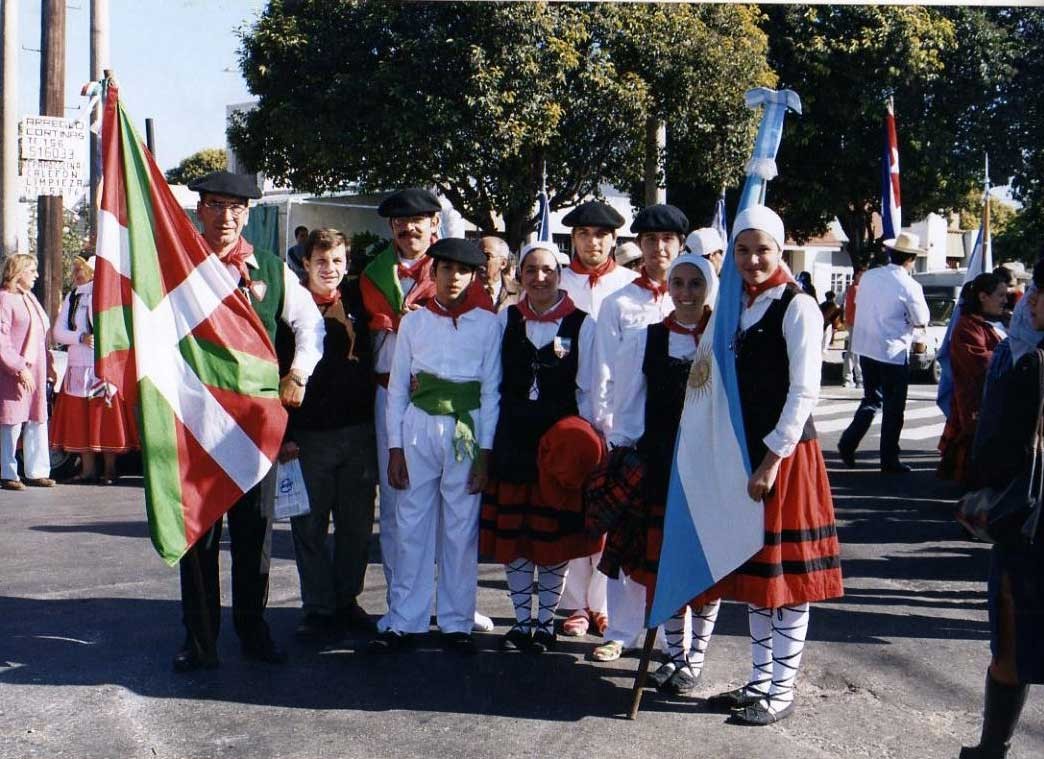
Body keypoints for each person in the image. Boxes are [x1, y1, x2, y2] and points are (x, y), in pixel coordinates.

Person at [173, 171, 324, 673]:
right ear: (201, 210)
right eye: (216, 205)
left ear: (248, 214)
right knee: (198, 537)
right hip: (197, 426)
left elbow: (310, 325)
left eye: (237, 208)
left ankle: (253, 629)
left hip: (256, 428)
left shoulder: (273, 272)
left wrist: (298, 372)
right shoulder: (180, 268)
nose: (227, 217)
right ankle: (199, 639)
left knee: (255, 534)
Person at [706, 205, 843, 726]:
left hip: (784, 459)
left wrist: (770, 460)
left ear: (780, 249)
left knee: (787, 584)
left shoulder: (797, 306)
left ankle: (780, 690)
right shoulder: (734, 307)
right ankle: (760, 680)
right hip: (745, 455)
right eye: (742, 250)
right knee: (760, 580)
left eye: (762, 249)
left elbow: (805, 390)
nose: (752, 259)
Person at [360, 188, 495, 634]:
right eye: (401, 220)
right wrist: (396, 447)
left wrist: (485, 451)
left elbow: (490, 389)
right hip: (412, 422)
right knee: (407, 519)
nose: (453, 277)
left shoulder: (486, 320)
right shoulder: (400, 303)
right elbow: (397, 384)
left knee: (460, 527)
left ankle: (457, 617)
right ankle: (406, 614)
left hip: (464, 427)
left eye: (419, 219)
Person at [602, 253, 720, 694]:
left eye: (695, 284)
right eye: (679, 284)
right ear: (668, 288)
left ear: (709, 287)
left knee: (703, 566)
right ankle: (674, 654)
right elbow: (629, 402)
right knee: (664, 564)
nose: (686, 293)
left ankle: (696, 658)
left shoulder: (725, 337)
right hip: (661, 464)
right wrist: (624, 447)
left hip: (709, 466)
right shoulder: (647, 339)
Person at [479, 241, 601, 653]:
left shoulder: (583, 324)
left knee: (551, 542)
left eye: (547, 270)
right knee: (517, 540)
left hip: (559, 445)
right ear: (520, 275)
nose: (539, 278)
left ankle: (545, 624)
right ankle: (520, 622)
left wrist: (593, 444)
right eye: (531, 270)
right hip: (514, 439)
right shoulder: (505, 320)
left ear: (560, 274)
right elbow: (492, 385)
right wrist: (488, 444)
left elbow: (589, 391)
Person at [589, 203, 686, 662]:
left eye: (668, 240)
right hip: (632, 436)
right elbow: (601, 374)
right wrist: (611, 431)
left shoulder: (698, 300)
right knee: (628, 540)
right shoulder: (619, 303)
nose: (659, 248)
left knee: (672, 543)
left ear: (681, 245)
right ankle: (622, 630)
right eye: (650, 240)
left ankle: (672, 638)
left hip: (683, 440)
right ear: (640, 246)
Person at [275, 228, 378, 640]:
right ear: (305, 263)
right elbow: (275, 373)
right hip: (309, 437)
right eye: (321, 261)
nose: (329, 269)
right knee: (310, 526)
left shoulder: (358, 302)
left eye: (337, 261)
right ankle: (317, 606)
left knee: (355, 527)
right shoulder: (289, 310)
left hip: (358, 432)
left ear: (346, 264)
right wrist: (284, 434)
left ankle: (346, 600)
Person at [962, 260, 1044, 759]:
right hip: (1028, 523)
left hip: (1026, 525)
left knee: (1012, 646)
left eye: (1038, 293)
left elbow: (991, 452)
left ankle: (992, 750)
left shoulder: (1024, 360)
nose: (1029, 301)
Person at [557, 199, 637, 639]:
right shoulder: (557, 281)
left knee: (612, 510)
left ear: (614, 240)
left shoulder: (628, 285)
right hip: (569, 410)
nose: (593, 241)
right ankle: (573, 604)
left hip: (620, 410)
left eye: (602, 235)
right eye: (585, 234)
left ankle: (603, 603)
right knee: (574, 507)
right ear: (574, 238)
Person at [838, 232, 930, 472]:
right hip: (892, 351)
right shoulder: (910, 285)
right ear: (911, 259)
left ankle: (849, 441)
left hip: (867, 346)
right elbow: (922, 319)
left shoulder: (870, 276)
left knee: (871, 400)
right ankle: (889, 459)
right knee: (893, 407)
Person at [50, 254, 138, 484]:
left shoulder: (110, 295)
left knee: (104, 416)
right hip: (78, 367)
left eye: (82, 270)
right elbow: (58, 332)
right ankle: (87, 470)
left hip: (103, 367)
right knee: (80, 419)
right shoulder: (73, 297)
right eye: (76, 270)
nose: (78, 274)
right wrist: (80, 337)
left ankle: (110, 469)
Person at [936, 272, 1007, 488]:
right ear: (983, 297)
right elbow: (981, 362)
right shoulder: (967, 326)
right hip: (976, 401)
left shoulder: (1002, 321)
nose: (1005, 300)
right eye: (1000, 295)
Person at [0, 254, 55, 490]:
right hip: (13, 372)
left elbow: (42, 334)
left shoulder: (30, 298)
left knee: (37, 418)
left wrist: (50, 364)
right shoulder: (5, 300)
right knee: (11, 421)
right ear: (18, 273)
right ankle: (7, 472)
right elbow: (2, 340)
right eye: (32, 270)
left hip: (38, 369)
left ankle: (37, 470)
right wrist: (19, 368)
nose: (36, 275)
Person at [479, 235, 520, 312]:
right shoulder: (462, 291)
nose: (479, 260)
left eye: (486, 256)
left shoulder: (521, 294)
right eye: (477, 255)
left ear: (503, 263)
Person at [841, 266, 865, 388]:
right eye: (861, 274)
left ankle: (849, 377)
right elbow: (861, 306)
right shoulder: (857, 289)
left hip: (852, 322)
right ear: (856, 276)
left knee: (852, 351)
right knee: (856, 352)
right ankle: (858, 378)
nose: (863, 277)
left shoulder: (851, 288)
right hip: (857, 323)